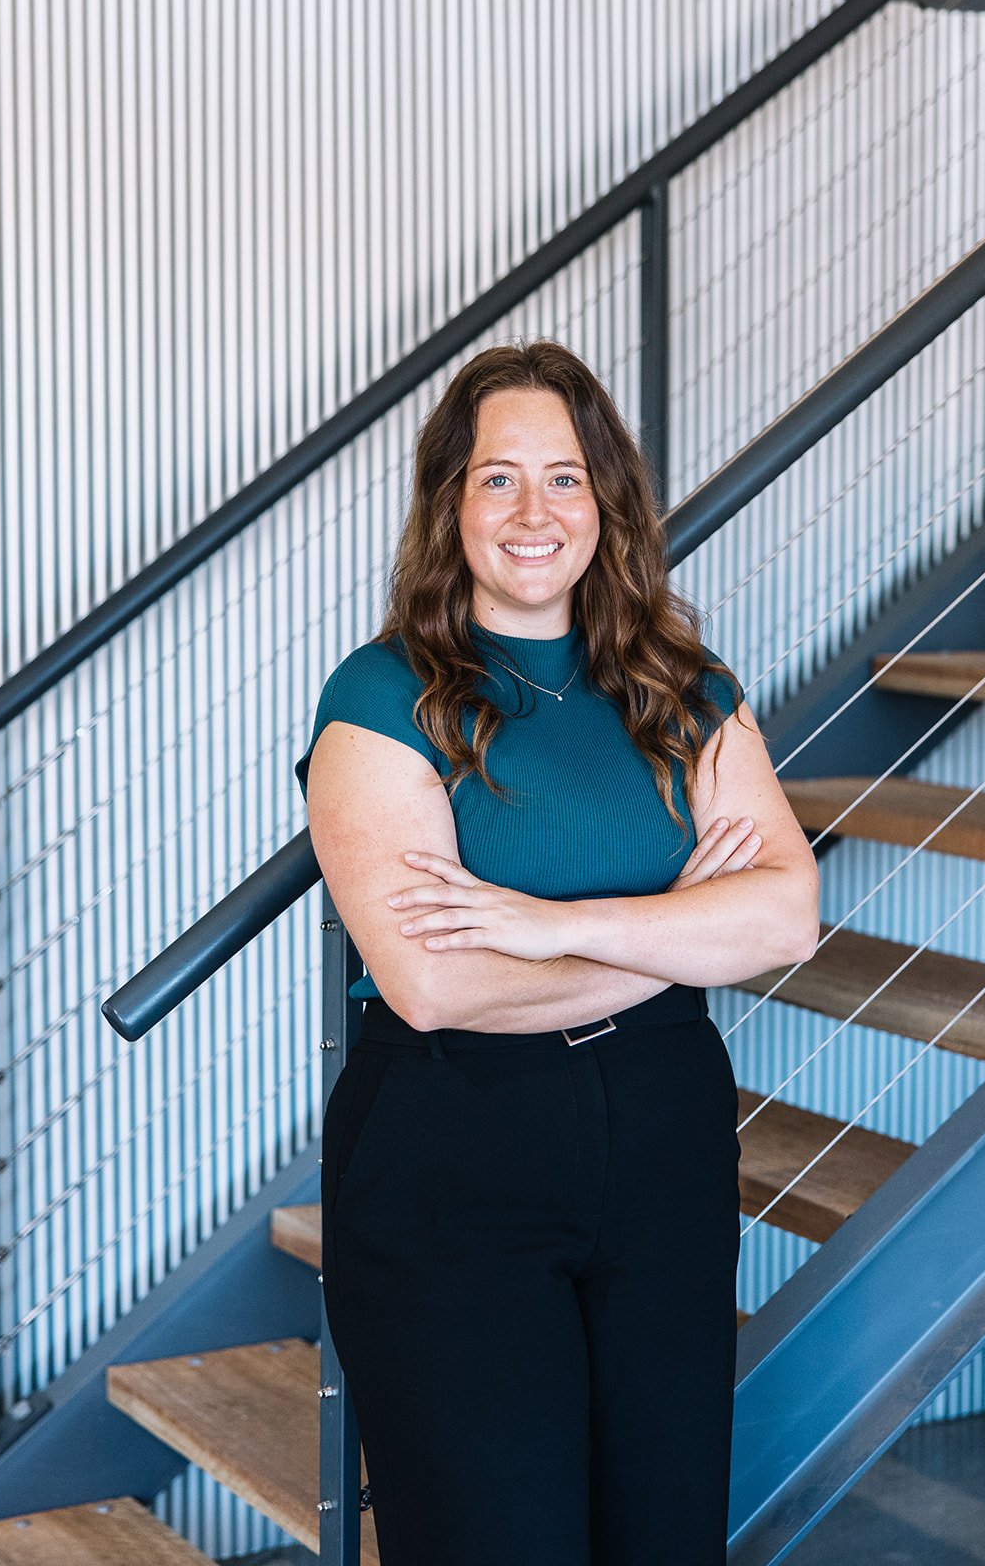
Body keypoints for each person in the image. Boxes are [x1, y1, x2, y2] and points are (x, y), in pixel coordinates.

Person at [295, 340, 820, 1566]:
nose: (534, 512)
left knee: (662, 1530)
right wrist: (679, 936)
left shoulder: (679, 687)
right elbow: (433, 984)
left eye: (566, 478)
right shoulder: (385, 699)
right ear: (449, 504)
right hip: (452, 1149)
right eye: (497, 479)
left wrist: (556, 925)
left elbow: (785, 916)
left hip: (662, 1136)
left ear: (608, 505)